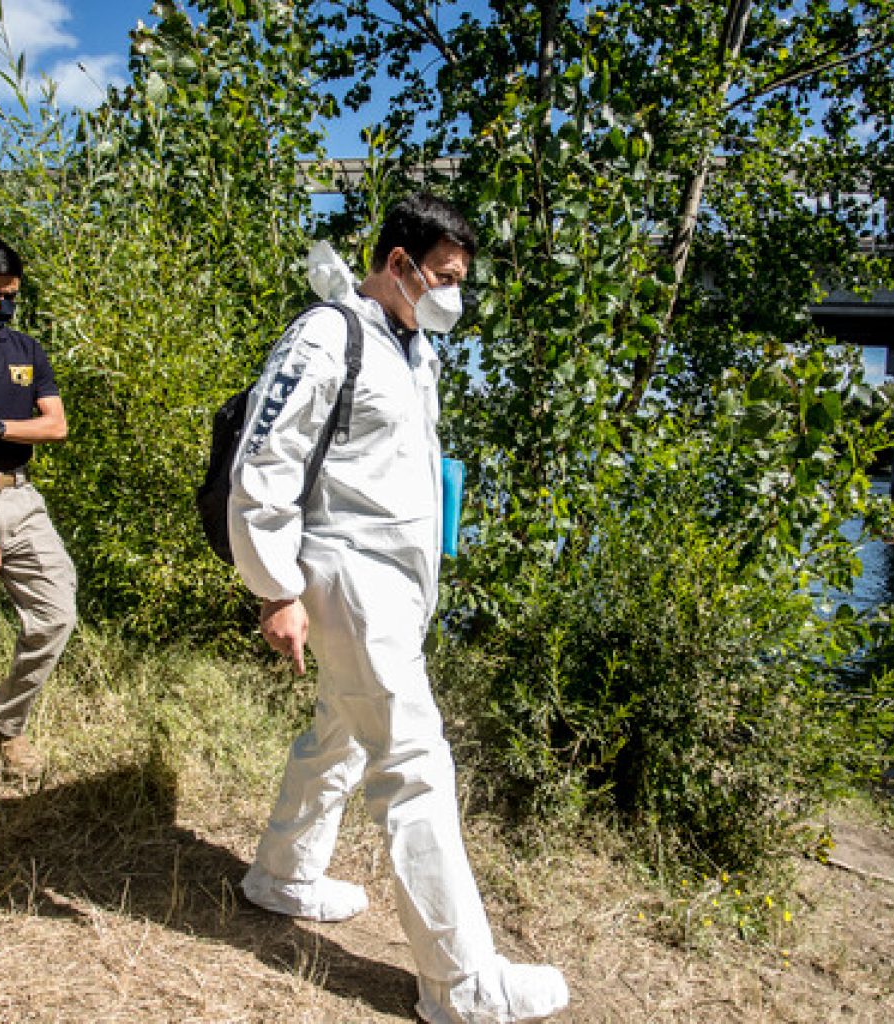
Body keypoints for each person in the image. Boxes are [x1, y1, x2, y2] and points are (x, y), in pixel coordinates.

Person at [229, 193, 570, 1024]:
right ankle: (462, 984)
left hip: (398, 583)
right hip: (347, 575)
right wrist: (276, 588)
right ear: (398, 263)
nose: (455, 294)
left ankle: (281, 873)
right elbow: (263, 462)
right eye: (444, 277)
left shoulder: (414, 351)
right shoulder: (327, 335)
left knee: (341, 732)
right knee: (414, 764)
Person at [0, 236, 76, 790]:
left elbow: (55, 425)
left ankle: (2, 724)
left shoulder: (25, 349)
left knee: (56, 615)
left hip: (21, 500)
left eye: (9, 296)